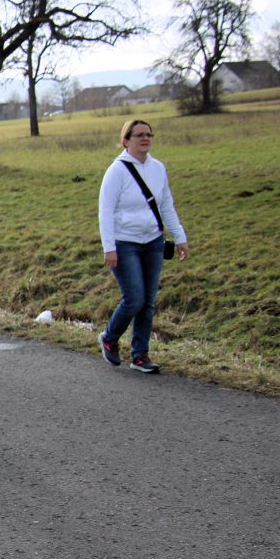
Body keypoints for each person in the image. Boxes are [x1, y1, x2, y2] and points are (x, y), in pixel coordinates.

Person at [97, 119, 189, 374]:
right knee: (134, 298)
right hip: (125, 243)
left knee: (148, 302)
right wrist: (109, 247)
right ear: (126, 141)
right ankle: (109, 337)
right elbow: (105, 212)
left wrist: (179, 236)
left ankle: (140, 355)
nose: (145, 138)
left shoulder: (158, 168)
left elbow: (166, 205)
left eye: (149, 134)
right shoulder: (116, 171)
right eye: (138, 135)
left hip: (154, 242)